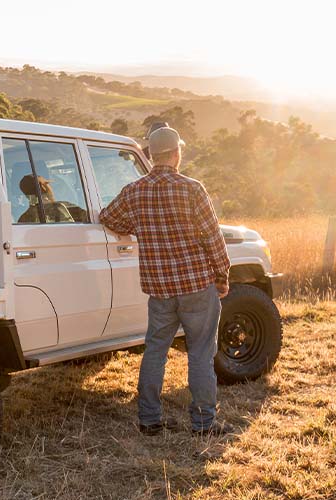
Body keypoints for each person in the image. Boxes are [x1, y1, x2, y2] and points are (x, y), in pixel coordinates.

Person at [99, 123, 231, 436]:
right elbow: (213, 238)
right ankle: (203, 423)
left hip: (160, 290)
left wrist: (139, 226)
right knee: (200, 352)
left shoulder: (134, 191)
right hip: (196, 285)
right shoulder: (192, 188)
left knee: (155, 351)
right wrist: (222, 275)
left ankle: (149, 420)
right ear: (176, 153)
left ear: (151, 155)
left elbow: (108, 217)